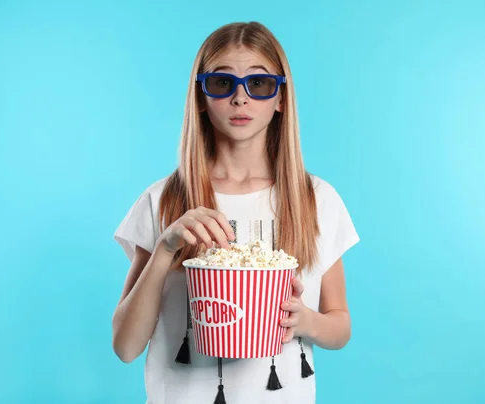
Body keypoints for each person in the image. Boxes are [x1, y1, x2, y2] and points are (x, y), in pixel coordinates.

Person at [112, 21, 360, 404]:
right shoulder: (163, 200)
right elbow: (126, 347)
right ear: (200, 97)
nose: (240, 98)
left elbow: (340, 326)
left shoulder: (316, 200)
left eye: (259, 84)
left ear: (281, 98)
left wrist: (305, 322)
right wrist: (165, 249)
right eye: (222, 83)